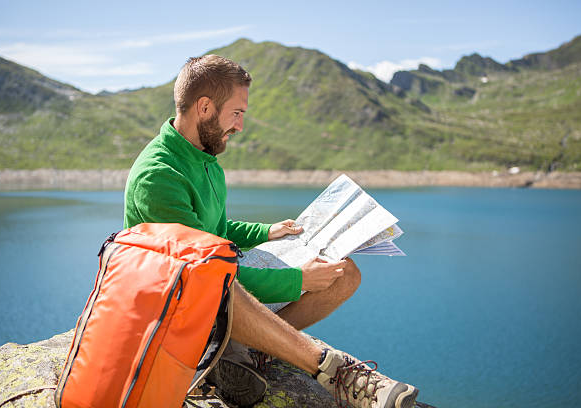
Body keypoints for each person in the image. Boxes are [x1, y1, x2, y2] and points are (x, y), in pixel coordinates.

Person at [123, 54, 418, 408]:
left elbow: (213, 231)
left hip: (212, 278)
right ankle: (331, 370)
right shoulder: (159, 176)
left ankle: (245, 352)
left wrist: (267, 231)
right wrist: (299, 280)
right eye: (237, 113)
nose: (241, 126)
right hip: (182, 302)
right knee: (233, 285)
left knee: (345, 274)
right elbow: (206, 278)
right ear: (204, 107)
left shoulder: (205, 158)